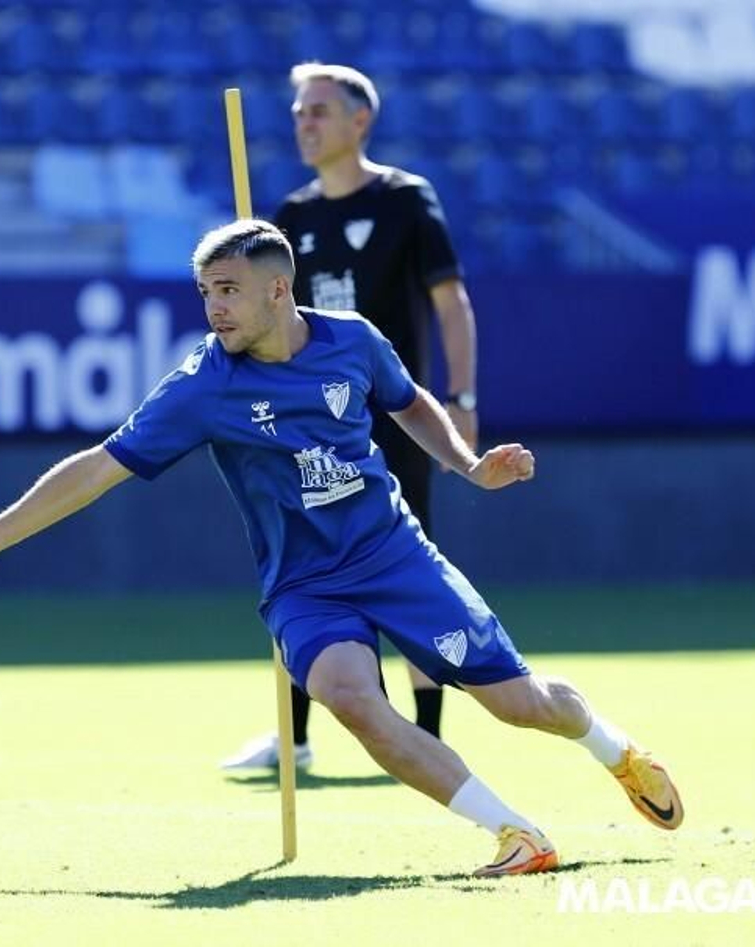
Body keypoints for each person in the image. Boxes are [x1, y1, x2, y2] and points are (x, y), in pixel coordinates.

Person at [0, 220, 683, 876]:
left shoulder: (352, 340)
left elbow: (410, 404)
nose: (214, 308)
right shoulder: (202, 385)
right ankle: (515, 832)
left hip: (395, 556)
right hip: (304, 586)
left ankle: (615, 749)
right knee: (352, 697)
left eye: (228, 290)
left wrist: (469, 466)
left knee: (521, 706)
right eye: (206, 292)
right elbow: (95, 469)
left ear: (278, 290)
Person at [221, 62, 480, 771]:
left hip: (391, 421)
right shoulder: (293, 216)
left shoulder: (404, 199)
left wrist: (461, 400)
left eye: (320, 112)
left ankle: (428, 730)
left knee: (410, 571)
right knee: (299, 567)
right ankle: (295, 738)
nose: (305, 123)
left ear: (360, 120)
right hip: (305, 427)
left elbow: (450, 300)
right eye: (299, 111)